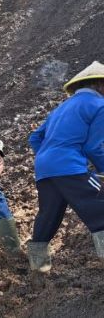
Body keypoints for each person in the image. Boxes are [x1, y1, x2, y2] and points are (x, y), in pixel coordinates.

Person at [28, 61, 104, 272]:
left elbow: (34, 137)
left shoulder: (60, 108)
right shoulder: (100, 106)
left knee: (48, 217)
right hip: (70, 167)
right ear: (100, 84)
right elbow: (93, 147)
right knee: (100, 207)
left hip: (43, 169)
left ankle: (38, 267)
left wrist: (49, 155)